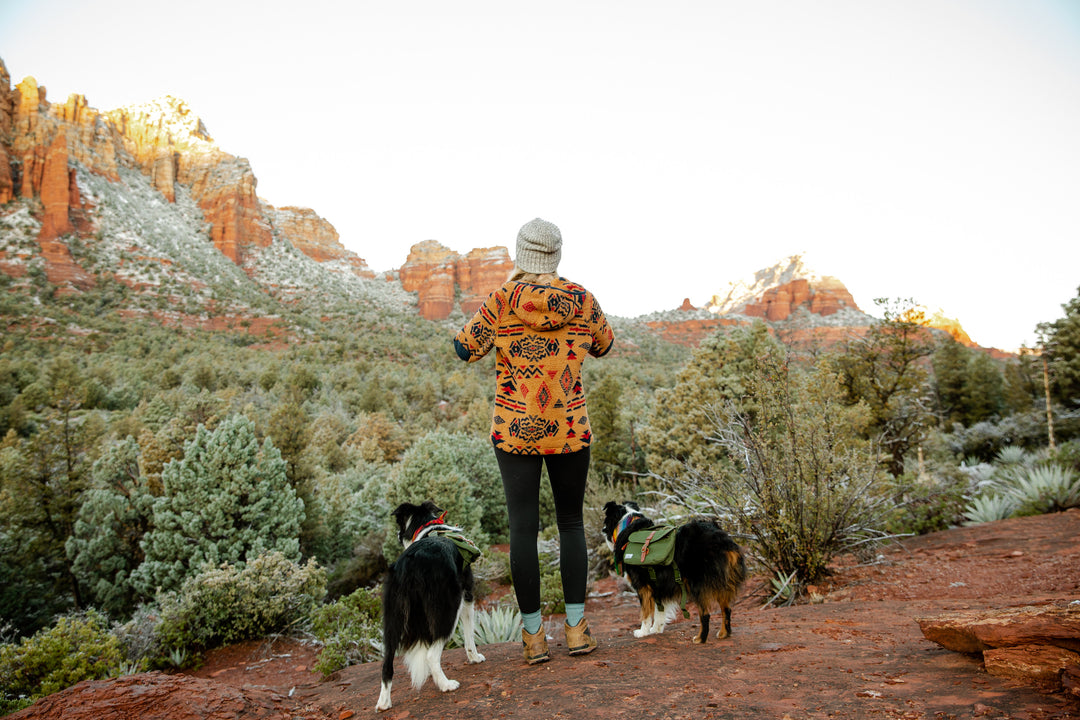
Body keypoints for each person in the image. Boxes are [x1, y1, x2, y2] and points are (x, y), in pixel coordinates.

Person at [453, 218, 614, 664]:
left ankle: (533, 638)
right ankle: (578, 631)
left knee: (522, 528)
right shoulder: (581, 300)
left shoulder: (502, 300)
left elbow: (464, 348)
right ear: (557, 255)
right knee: (570, 525)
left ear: (520, 255)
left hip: (513, 429)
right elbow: (605, 344)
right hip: (569, 430)